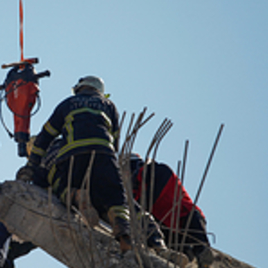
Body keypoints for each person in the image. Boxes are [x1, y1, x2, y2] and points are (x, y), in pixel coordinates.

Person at [16, 75, 166, 253]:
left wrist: (30, 167)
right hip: (103, 155)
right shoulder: (110, 106)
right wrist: (112, 170)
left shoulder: (67, 104)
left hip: (72, 158)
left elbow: (45, 135)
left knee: (62, 188)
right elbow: (115, 143)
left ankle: (76, 196)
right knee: (118, 199)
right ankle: (129, 236)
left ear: (79, 88)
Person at [129, 154, 214, 268]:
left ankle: (202, 250)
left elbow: (150, 198)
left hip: (184, 216)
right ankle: (186, 252)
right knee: (162, 236)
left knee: (192, 222)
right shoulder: (137, 189)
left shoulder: (157, 171)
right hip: (169, 227)